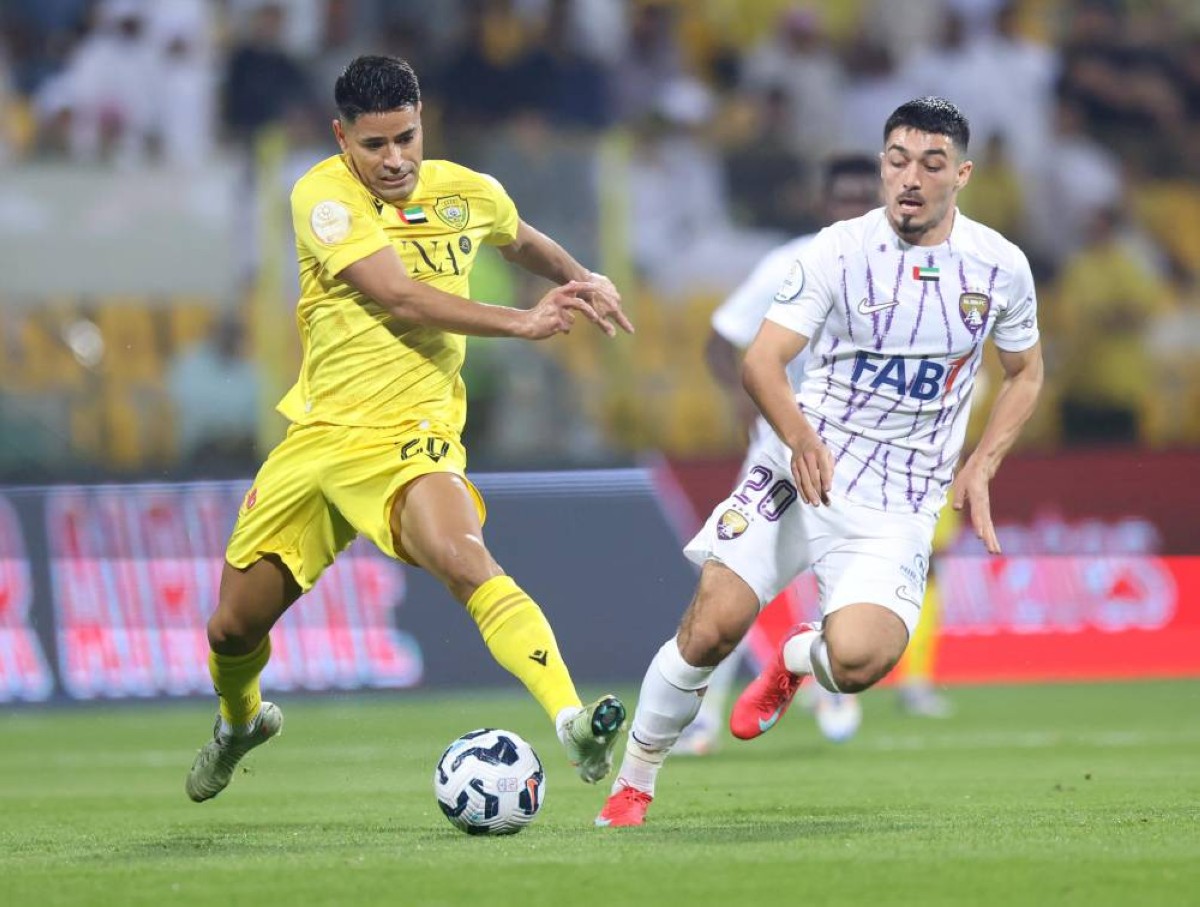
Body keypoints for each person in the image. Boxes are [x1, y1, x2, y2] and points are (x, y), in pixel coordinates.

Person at [186, 54, 634, 803]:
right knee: (231, 629)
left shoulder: (467, 191)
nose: (394, 159)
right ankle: (239, 724)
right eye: (375, 145)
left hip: (412, 436)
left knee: (466, 559)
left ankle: (572, 722)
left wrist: (579, 277)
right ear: (342, 138)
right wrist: (521, 321)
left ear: (422, 123)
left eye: (406, 138)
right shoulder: (322, 197)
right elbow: (400, 297)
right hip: (319, 438)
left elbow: (518, 237)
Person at [596, 97, 1043, 827]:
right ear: (884, 166)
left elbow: (1026, 371)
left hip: (899, 500)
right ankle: (634, 783)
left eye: (931, 164)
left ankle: (798, 658)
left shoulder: (999, 266)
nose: (911, 178)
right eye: (898, 160)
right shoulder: (837, 249)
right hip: (801, 469)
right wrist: (801, 439)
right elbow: (760, 360)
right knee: (712, 626)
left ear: (961, 175)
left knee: (861, 661)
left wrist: (984, 461)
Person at [674, 153, 881, 755]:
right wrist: (747, 403)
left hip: (864, 449)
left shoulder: (901, 273)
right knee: (734, 578)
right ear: (823, 205)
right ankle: (702, 715)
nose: (854, 208)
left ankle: (829, 685)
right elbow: (722, 341)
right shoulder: (791, 263)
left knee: (843, 568)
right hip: (785, 446)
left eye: (864, 197)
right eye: (844, 198)